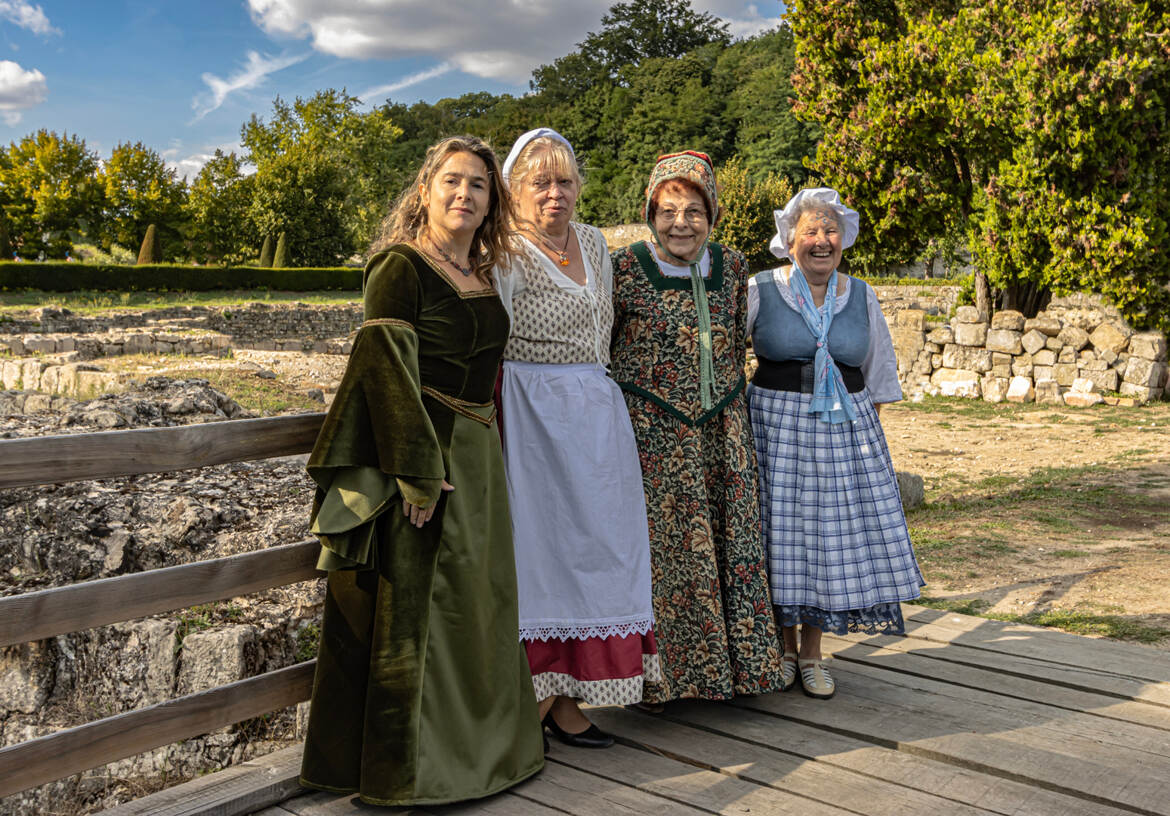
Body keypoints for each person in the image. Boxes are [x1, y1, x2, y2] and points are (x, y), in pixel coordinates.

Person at [298, 135, 544, 805]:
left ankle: (488, 753)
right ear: (425, 190)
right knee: (421, 614)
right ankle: (414, 771)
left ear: (493, 202)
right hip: (428, 460)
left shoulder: (484, 272)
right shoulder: (400, 268)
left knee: (479, 609)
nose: (464, 194)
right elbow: (381, 372)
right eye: (453, 182)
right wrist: (415, 470)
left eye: (479, 186)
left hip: (480, 454)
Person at [494, 129, 659, 749]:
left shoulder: (594, 243)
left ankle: (569, 700)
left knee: (601, 553)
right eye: (540, 182)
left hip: (596, 414)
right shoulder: (505, 251)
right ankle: (530, 705)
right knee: (541, 559)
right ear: (515, 190)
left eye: (565, 181)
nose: (555, 194)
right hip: (533, 416)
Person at [609, 151, 784, 705]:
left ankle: (740, 672)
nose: (680, 223)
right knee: (663, 555)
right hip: (652, 438)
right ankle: (662, 682)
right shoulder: (623, 268)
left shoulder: (732, 268)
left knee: (732, 546)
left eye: (693, 210)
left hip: (722, 435)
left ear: (712, 214)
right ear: (650, 213)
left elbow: (737, 340)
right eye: (668, 211)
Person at [747, 187, 923, 700]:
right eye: (810, 232)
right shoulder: (761, 288)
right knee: (779, 534)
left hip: (841, 432)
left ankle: (811, 654)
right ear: (790, 240)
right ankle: (780, 648)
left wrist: (863, 445)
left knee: (826, 538)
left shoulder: (862, 295)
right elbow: (728, 352)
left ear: (843, 237)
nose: (821, 241)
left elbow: (879, 374)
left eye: (830, 231)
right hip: (774, 428)